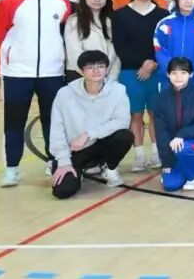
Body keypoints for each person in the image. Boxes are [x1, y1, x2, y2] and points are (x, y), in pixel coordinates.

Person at [0, 0, 72, 186]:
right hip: (17, 73)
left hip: (52, 72)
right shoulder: (10, 2)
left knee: (53, 120)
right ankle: (11, 168)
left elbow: (64, 35)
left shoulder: (62, 3)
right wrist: (13, 56)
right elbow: (0, 32)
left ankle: (53, 160)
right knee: (14, 121)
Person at [47, 50, 133, 199]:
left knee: (124, 136)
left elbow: (122, 121)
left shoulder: (118, 90)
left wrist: (89, 134)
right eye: (90, 67)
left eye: (100, 66)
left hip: (100, 145)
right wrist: (63, 161)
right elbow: (56, 129)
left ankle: (109, 167)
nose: (96, 71)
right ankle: (80, 169)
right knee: (63, 191)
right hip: (75, 150)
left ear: (107, 69)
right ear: (81, 71)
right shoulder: (65, 94)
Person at [113, 0, 169, 172]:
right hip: (130, 72)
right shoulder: (120, 14)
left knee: (156, 114)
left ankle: (156, 152)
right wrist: (141, 64)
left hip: (157, 71)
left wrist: (153, 62)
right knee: (135, 115)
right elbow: (119, 45)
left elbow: (165, 44)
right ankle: (138, 155)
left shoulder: (163, 15)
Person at [153, 57, 194, 192]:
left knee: (184, 148)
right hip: (173, 147)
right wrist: (167, 162)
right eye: (174, 73)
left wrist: (181, 135)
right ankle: (183, 165)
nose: (178, 77)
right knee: (170, 185)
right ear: (168, 75)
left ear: (191, 74)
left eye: (183, 73)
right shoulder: (161, 98)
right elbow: (161, 131)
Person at [64, 0, 120, 84]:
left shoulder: (112, 20)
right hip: (80, 74)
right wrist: (93, 73)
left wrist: (112, 76)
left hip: (108, 77)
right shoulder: (74, 21)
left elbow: (117, 53)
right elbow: (73, 52)